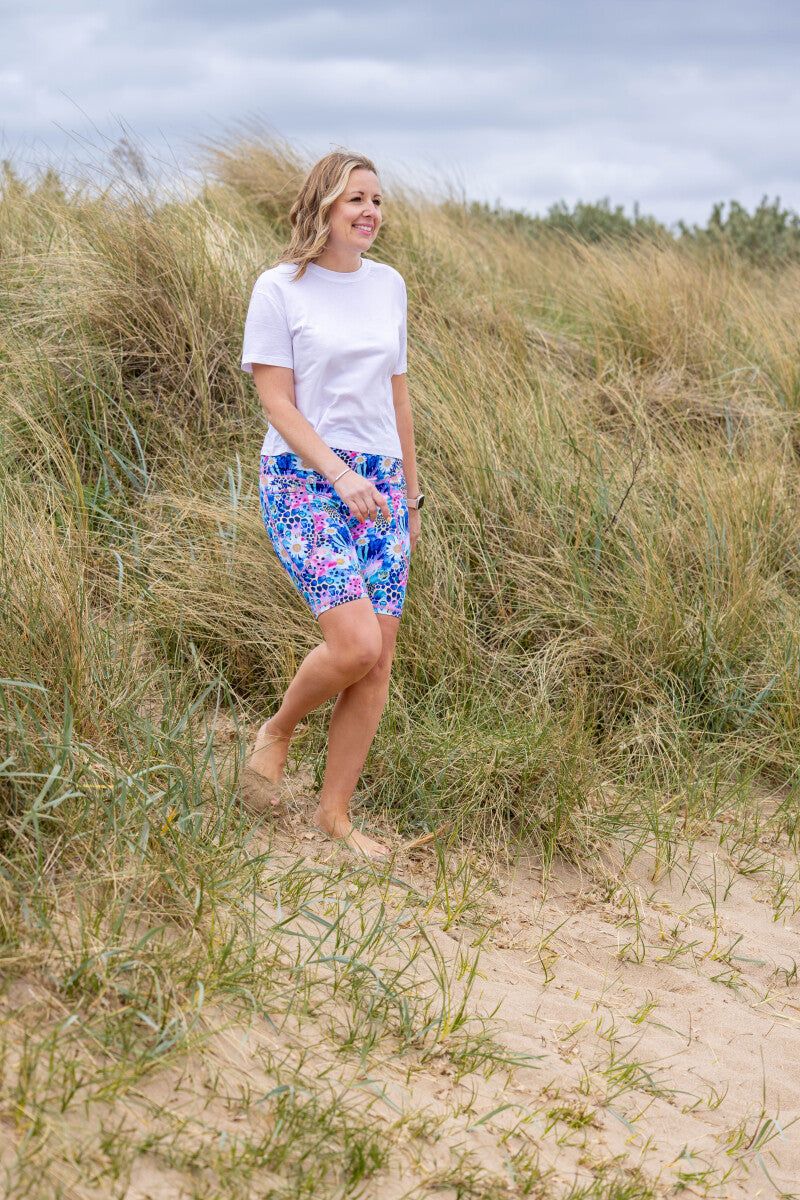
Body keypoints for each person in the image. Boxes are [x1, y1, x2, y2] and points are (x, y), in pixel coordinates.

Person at [240, 151, 422, 863]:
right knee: (354, 646)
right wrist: (339, 474)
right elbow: (276, 402)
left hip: (382, 484)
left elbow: (397, 396)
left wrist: (410, 495)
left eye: (377, 200)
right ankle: (279, 729)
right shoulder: (279, 288)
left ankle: (334, 815)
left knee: (378, 663)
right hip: (304, 478)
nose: (370, 211)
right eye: (356, 199)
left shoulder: (389, 285)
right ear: (323, 205)